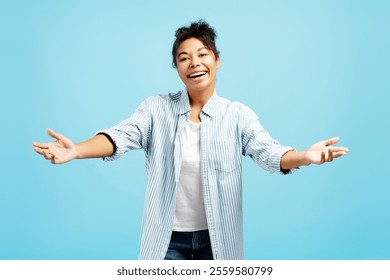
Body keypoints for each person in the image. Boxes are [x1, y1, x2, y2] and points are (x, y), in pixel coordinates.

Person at [33, 20, 349, 260]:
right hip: (165, 241)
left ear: (217, 60)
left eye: (202, 54)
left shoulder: (237, 114)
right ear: (178, 68)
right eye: (184, 58)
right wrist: (77, 150)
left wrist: (305, 156)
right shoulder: (156, 108)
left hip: (219, 240)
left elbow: (269, 153)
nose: (194, 62)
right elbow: (120, 137)